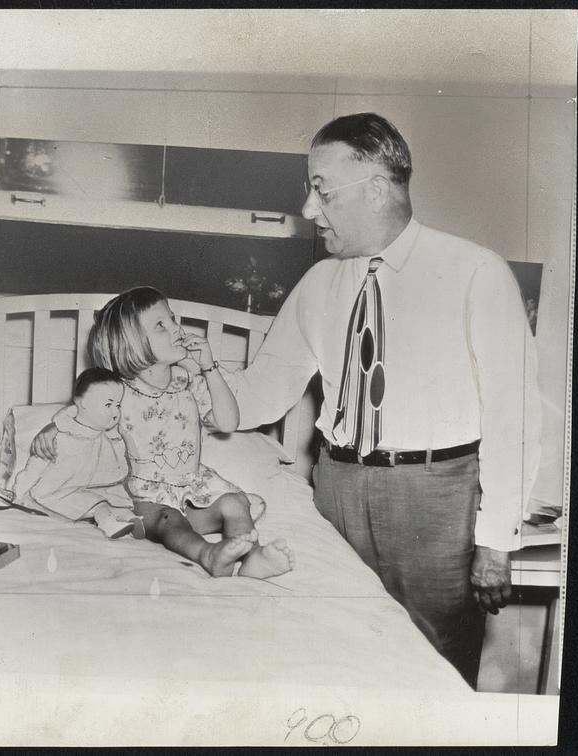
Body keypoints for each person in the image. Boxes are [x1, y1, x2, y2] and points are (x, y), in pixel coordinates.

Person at [227, 112, 541, 687]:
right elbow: (260, 394)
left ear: (376, 188)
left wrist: (496, 542)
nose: (308, 210)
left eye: (321, 190)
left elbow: (512, 412)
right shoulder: (320, 283)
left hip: (434, 498)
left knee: (433, 667)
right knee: (329, 652)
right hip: (336, 488)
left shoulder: (474, 271)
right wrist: (182, 381)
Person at [43, 286, 294, 578]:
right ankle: (208, 555)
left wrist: (209, 369)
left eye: (173, 320)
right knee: (167, 518)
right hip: (147, 497)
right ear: (132, 344)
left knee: (235, 502)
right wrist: (52, 428)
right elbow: (81, 412)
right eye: (162, 325)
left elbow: (228, 423)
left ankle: (253, 558)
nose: (177, 328)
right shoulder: (118, 392)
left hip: (194, 488)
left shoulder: (188, 381)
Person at [16, 367, 144, 539]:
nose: (115, 413)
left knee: (115, 501)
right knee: (98, 504)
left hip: (95, 489)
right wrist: (19, 493)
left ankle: (129, 521)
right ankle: (108, 524)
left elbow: (124, 463)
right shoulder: (62, 435)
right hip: (58, 493)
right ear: (82, 404)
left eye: (118, 405)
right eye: (108, 405)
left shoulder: (111, 434)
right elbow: (35, 466)